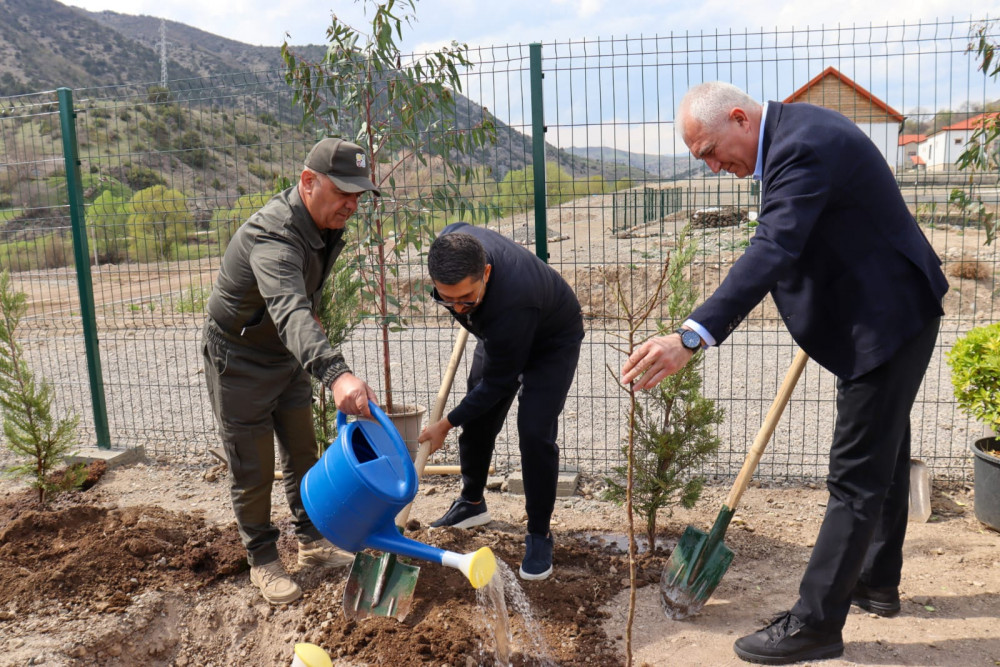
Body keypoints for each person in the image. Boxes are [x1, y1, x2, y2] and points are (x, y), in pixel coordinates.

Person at [622, 82, 948, 665]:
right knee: (884, 451)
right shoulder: (794, 138)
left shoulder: (803, 146)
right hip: (886, 307)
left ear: (741, 119)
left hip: (887, 319)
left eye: (711, 153)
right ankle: (876, 580)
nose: (716, 169)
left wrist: (692, 335)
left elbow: (772, 246)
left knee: (854, 476)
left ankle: (816, 623)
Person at [202, 137, 380, 605]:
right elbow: (288, 308)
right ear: (308, 182)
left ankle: (312, 543)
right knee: (253, 464)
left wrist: (313, 322)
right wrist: (337, 373)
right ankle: (262, 558)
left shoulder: (321, 223)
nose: (352, 205)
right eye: (344, 192)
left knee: (303, 452)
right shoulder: (273, 235)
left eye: (358, 195)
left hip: (285, 354)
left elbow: (304, 300)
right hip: (238, 359)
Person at [418, 222, 584, 581]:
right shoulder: (451, 245)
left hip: (550, 341)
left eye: (467, 300)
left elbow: (497, 384)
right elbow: (489, 377)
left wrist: (445, 423)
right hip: (499, 333)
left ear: (487, 273)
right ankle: (472, 502)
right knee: (478, 422)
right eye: (447, 298)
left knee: (534, 433)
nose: (458, 309)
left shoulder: (514, 300)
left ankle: (539, 534)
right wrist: (470, 307)